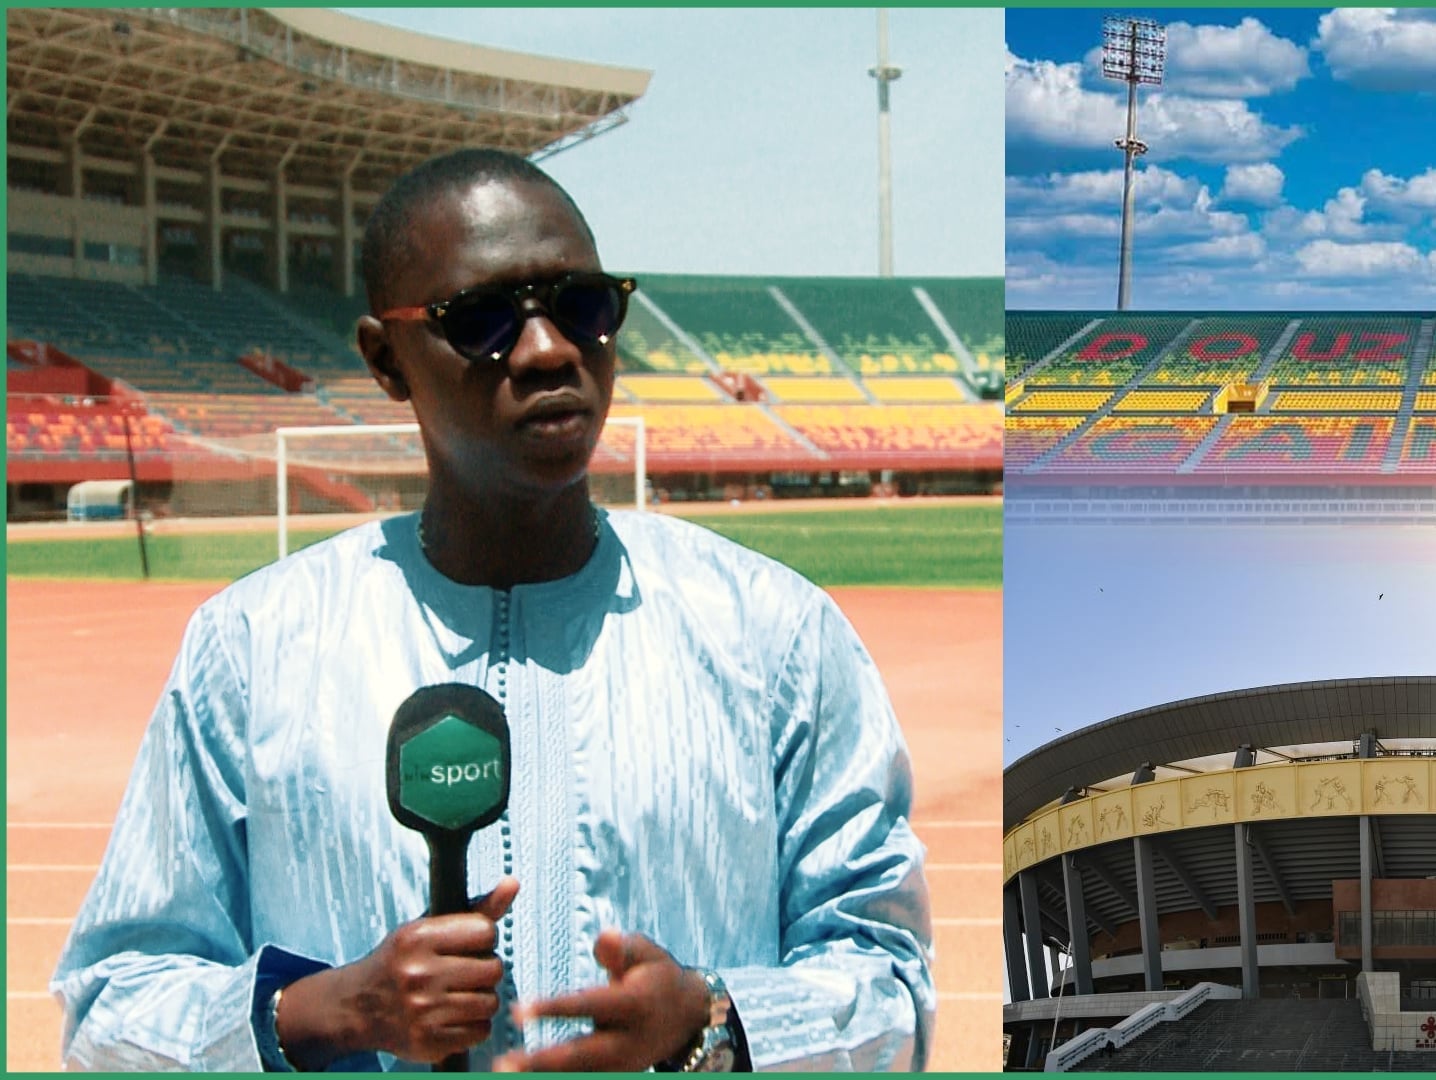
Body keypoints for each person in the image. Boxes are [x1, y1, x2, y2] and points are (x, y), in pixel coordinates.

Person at [51, 149, 934, 1072]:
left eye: (582, 306)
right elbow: (112, 1010)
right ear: (386, 360)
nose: (548, 349)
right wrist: (323, 1011)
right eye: (482, 319)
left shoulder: (777, 635)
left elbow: (892, 984)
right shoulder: (252, 648)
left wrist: (714, 1023)